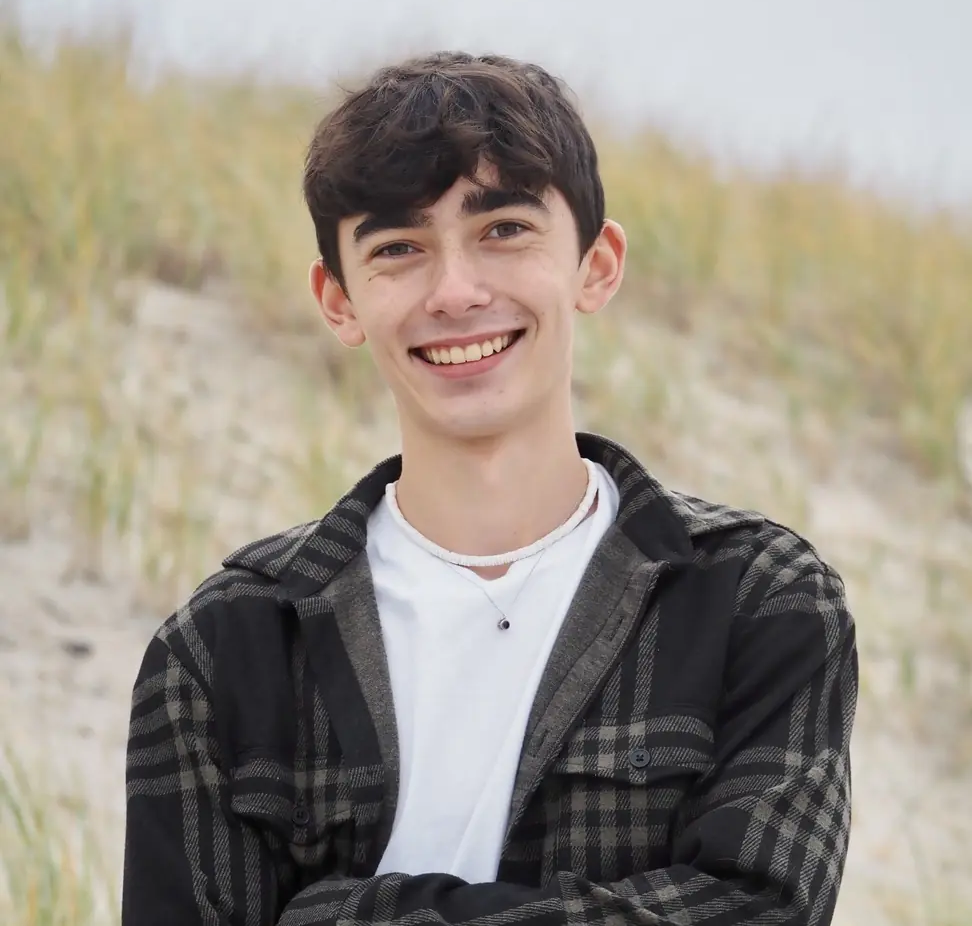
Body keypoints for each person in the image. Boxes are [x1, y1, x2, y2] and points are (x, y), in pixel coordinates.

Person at [121, 51, 858, 926]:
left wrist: (331, 912)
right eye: (398, 248)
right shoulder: (224, 647)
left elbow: (759, 912)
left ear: (596, 264)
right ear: (338, 300)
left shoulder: (756, 600)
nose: (456, 291)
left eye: (503, 229)